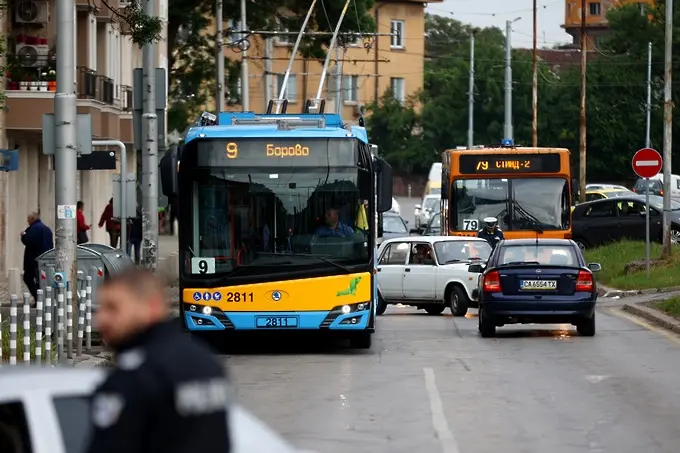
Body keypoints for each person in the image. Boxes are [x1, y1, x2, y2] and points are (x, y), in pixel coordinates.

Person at [84, 268, 231, 453]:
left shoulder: (134, 376)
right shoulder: (205, 362)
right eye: (101, 308)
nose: (100, 319)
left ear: (151, 307)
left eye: (113, 308)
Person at [21, 212, 53, 301]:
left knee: (28, 278)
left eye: (28, 218)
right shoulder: (46, 229)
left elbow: (29, 241)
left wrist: (23, 236)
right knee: (41, 280)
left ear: (32, 219)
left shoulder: (33, 229)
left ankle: (38, 298)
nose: (27, 220)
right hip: (45, 258)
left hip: (34, 259)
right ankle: (43, 298)